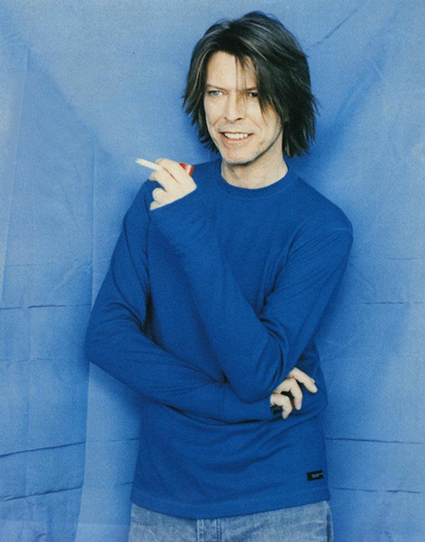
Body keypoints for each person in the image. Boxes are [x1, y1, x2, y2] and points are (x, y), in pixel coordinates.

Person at [84, 11, 353, 542]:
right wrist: (231, 404)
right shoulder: (162, 198)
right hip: (165, 495)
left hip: (279, 500)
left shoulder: (322, 227)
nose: (231, 114)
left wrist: (191, 230)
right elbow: (106, 337)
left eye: (254, 94)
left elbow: (255, 370)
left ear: (287, 99)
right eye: (216, 93)